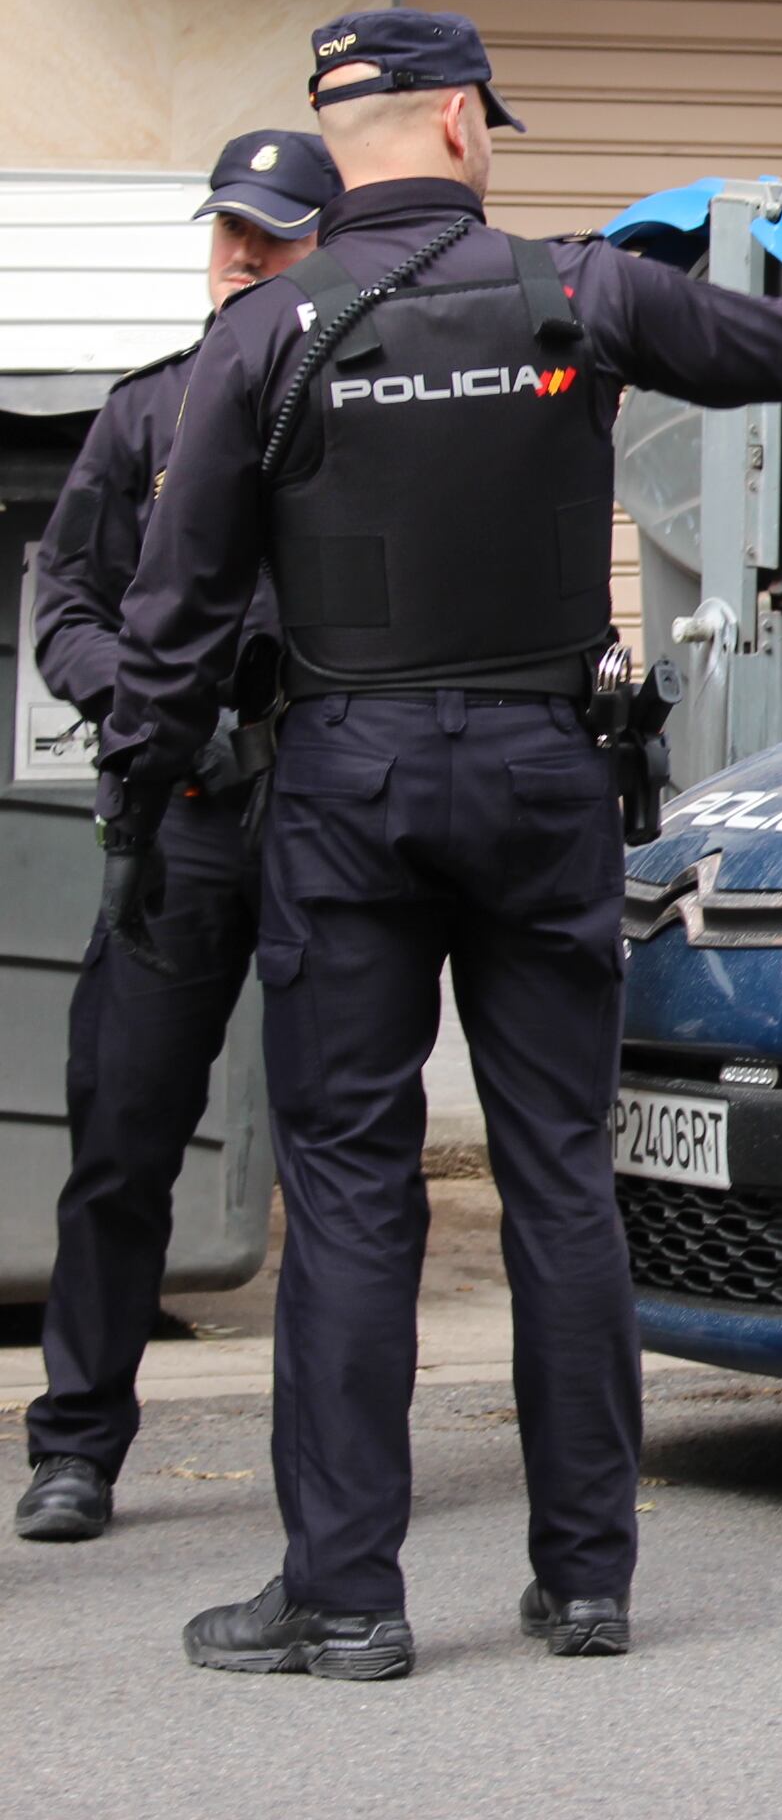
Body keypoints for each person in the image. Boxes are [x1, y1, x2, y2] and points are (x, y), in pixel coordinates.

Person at [94, 10, 782, 1680]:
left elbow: (179, 610)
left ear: (339, 150)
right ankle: (583, 1581)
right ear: (467, 128)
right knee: (562, 1172)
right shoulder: (577, 293)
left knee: (349, 1197)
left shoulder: (262, 333)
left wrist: (138, 807)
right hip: (543, 779)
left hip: (347, 788)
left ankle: (344, 1596)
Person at [13, 132, 337, 1545]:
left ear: (328, 248)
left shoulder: (364, 412)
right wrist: (152, 712)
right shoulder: (146, 417)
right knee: (122, 1138)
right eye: (227, 233)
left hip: (334, 821)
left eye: (271, 235)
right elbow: (64, 609)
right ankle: (76, 1443)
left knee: (341, 1151)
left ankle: (327, 1460)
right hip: (189, 823)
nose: (241, 257)